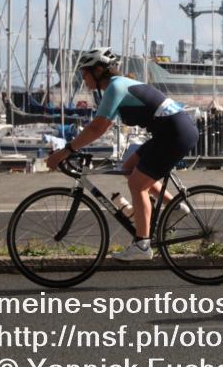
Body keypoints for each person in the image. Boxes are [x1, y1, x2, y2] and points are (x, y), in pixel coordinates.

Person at [46, 47, 199, 261]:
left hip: (174, 133)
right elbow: (101, 127)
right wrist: (74, 147)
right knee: (128, 166)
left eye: (85, 74)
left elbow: (97, 128)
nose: (84, 80)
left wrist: (66, 151)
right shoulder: (119, 86)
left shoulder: (115, 87)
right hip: (171, 131)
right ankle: (174, 208)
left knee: (137, 184)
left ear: (98, 70)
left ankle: (142, 245)